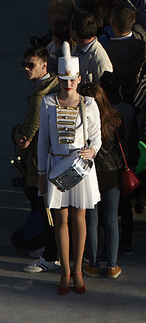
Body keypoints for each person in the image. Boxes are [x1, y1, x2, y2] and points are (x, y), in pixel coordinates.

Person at [37, 43, 102, 295]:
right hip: (56, 166)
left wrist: (92, 151)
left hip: (80, 167)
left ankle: (77, 270)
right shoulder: (48, 102)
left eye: (71, 80)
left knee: (79, 218)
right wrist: (42, 173)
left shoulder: (90, 103)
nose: (68, 84)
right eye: (64, 79)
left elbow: (96, 137)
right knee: (61, 219)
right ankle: (64, 270)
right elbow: (43, 140)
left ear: (78, 78)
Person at [17, 47, 60, 274]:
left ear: (44, 65)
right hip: (53, 158)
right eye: (24, 64)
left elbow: (30, 129)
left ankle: (49, 251)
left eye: (31, 65)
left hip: (41, 161)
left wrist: (20, 148)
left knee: (44, 206)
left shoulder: (40, 95)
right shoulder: (52, 86)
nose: (26, 68)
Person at [82, 84, 126, 280]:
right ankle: (112, 265)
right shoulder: (114, 119)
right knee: (111, 220)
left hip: (90, 173)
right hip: (112, 172)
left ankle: (92, 264)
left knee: (91, 221)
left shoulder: (82, 121)